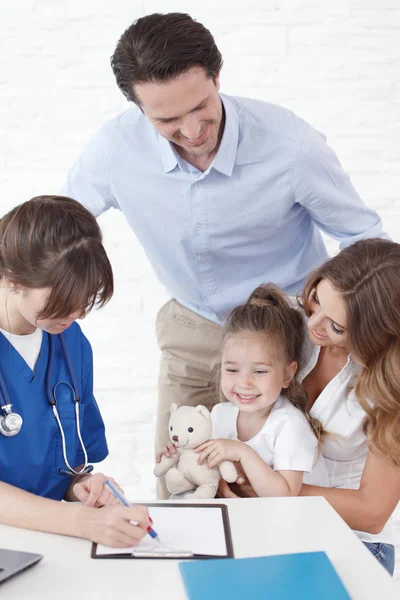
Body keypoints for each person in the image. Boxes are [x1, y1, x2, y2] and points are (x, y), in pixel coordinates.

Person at [62, 12, 388, 497]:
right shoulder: (115, 150)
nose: (192, 130)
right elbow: (59, 227)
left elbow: (364, 239)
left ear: (217, 76)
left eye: (201, 107)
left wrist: (344, 327)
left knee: (273, 489)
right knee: (180, 484)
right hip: (193, 327)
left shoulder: (291, 147)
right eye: (167, 120)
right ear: (137, 108)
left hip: (291, 334)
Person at [219, 239, 400, 575]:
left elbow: (373, 513)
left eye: (337, 326)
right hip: (270, 522)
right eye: (317, 300)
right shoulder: (288, 329)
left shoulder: (389, 388)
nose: (313, 325)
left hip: (352, 540)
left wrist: (271, 488)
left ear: (374, 333)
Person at [0, 195, 150, 548]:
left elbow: (63, 463)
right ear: (11, 277)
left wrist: (81, 488)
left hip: (53, 542)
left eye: (84, 297)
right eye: (64, 299)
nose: (79, 313)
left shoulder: (71, 344)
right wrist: (82, 521)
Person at [157, 284, 329, 496]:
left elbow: (285, 496)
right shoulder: (220, 414)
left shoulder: (289, 425)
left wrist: (242, 452)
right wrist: (183, 453)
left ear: (287, 374)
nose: (244, 383)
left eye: (259, 371)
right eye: (232, 369)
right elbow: (208, 467)